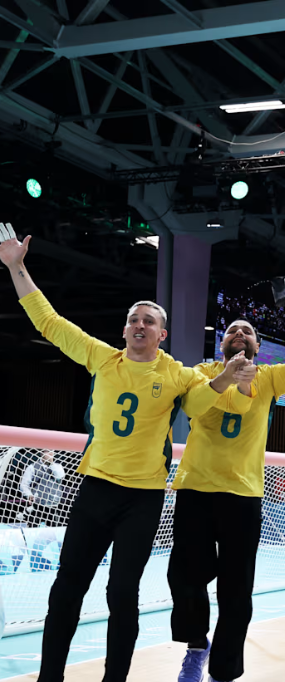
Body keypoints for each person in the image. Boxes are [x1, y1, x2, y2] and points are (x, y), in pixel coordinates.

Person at [0, 223, 251, 682]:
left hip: (143, 497)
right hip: (95, 490)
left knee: (123, 594)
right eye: (134, 319)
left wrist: (224, 379)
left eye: (148, 321)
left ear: (162, 334)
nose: (139, 325)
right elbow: (49, 323)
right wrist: (17, 267)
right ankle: (48, 676)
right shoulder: (101, 358)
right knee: (67, 589)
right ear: (124, 330)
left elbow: (198, 404)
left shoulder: (178, 374)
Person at [170, 305, 285, 682]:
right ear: (220, 342)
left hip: (243, 495)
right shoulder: (202, 373)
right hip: (195, 488)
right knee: (184, 577)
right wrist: (227, 378)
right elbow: (192, 407)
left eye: (248, 331)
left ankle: (223, 670)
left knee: (236, 590)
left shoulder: (269, 378)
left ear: (258, 345)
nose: (240, 333)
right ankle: (196, 645)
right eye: (232, 331)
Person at [19, 450, 65, 528]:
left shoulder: (58, 466)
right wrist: (29, 494)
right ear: (41, 453)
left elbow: (60, 477)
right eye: (47, 451)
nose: (50, 453)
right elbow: (24, 485)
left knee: (54, 532)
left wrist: (51, 463)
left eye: (52, 451)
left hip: (53, 506)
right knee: (33, 531)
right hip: (37, 506)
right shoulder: (32, 467)